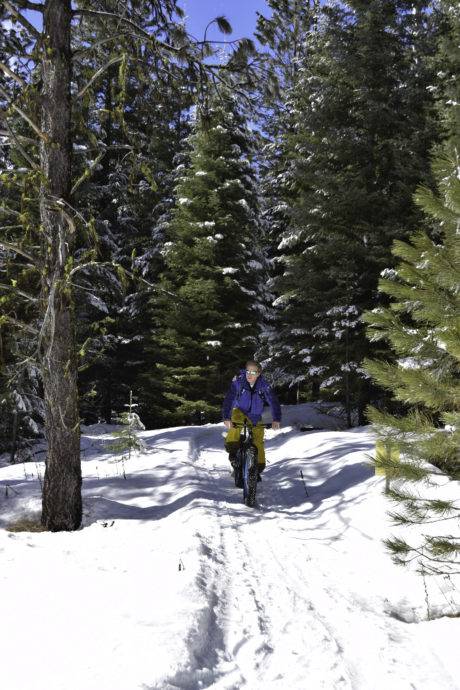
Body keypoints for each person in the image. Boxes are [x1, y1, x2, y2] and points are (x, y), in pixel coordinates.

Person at [222, 360, 281, 480]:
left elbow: (273, 401)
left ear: (259, 373)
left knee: (258, 437)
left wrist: (276, 419)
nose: (249, 374)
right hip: (240, 411)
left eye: (253, 372)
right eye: (248, 371)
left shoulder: (264, 386)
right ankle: (233, 450)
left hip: (254, 415)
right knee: (236, 422)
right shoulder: (238, 383)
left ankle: (257, 467)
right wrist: (227, 418)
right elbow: (229, 400)